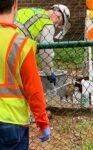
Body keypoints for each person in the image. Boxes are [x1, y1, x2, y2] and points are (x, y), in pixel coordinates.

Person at [0, 0, 51, 149]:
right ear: (15, 5)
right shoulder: (21, 45)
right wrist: (42, 122)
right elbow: (34, 89)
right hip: (12, 122)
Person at [14, 4, 71, 84]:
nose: (56, 25)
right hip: (15, 47)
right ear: (58, 16)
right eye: (59, 23)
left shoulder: (33, 11)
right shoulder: (47, 23)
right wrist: (49, 72)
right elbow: (46, 52)